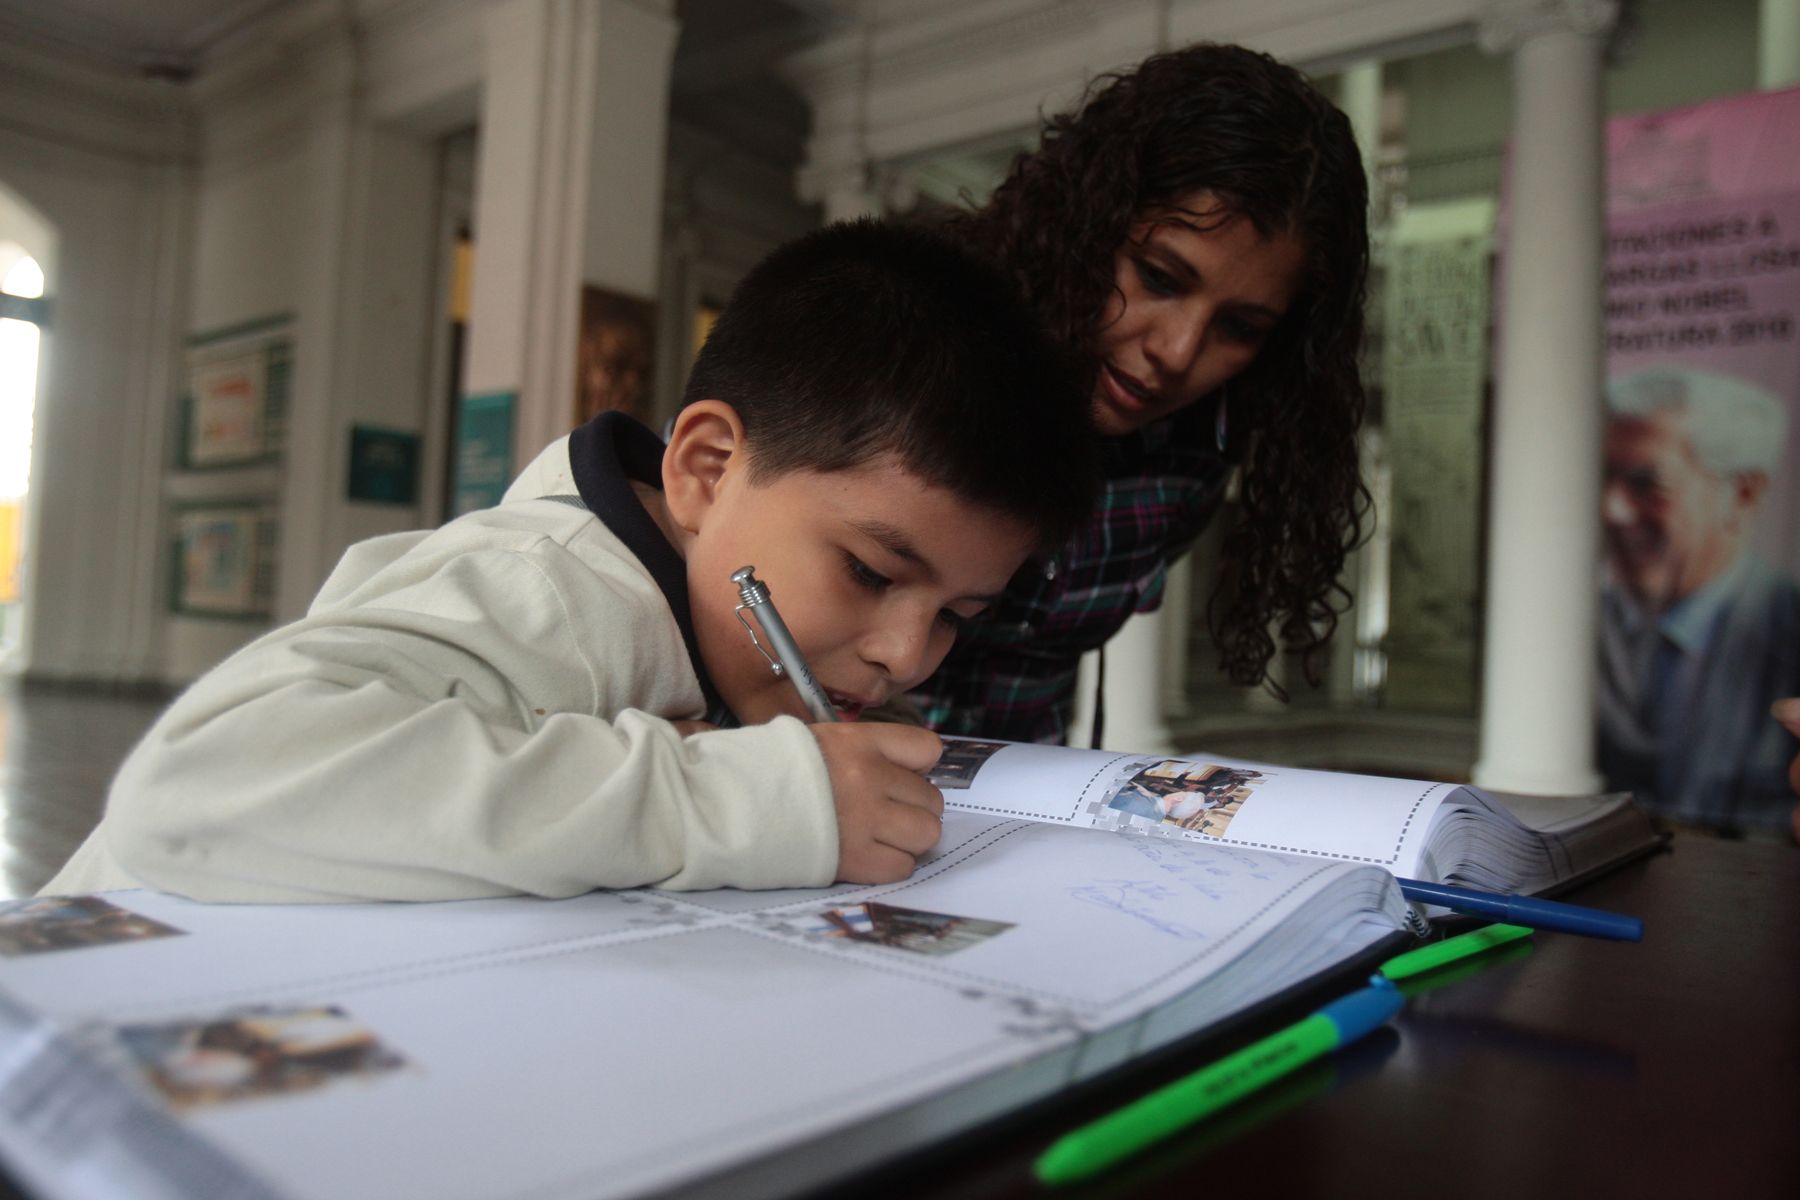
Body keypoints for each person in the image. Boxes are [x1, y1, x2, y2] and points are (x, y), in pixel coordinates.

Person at [41, 220, 1098, 903]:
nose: (907, 655)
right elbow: (199, 780)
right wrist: (743, 801)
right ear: (707, 468)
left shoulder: (712, 618)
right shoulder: (543, 585)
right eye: (870, 572)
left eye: (957, 611)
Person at [909, 42, 1372, 745]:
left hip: (1017, 811)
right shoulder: (903, 351)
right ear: (1082, 225)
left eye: (1240, 327)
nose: (1177, 352)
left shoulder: (1192, 463)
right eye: (1158, 277)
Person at [1596, 365, 1800, 836]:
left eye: (1648, 484)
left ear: (1743, 493)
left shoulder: (1790, 629)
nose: (1613, 509)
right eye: (1604, 479)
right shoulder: (1573, 633)